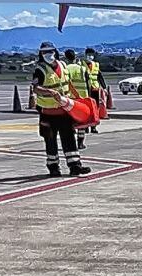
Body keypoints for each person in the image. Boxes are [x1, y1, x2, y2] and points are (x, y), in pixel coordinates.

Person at [32, 41, 90, 178]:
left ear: (55, 51)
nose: (48, 54)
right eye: (45, 52)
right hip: (48, 112)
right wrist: (50, 92)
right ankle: (53, 167)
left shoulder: (63, 65)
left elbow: (69, 83)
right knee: (50, 141)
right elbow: (35, 87)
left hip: (64, 110)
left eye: (50, 51)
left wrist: (77, 99)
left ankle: (75, 166)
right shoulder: (39, 69)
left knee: (69, 138)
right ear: (41, 54)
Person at [63, 49, 89, 150]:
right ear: (75, 57)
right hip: (82, 97)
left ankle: (71, 142)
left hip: (70, 98)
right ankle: (80, 143)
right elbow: (88, 83)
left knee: (70, 122)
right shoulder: (82, 69)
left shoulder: (65, 69)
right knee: (82, 122)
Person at [83, 47, 104, 134]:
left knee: (95, 109)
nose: (90, 57)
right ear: (85, 55)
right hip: (86, 90)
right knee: (86, 109)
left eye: (91, 55)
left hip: (95, 89)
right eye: (88, 55)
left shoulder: (96, 65)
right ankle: (86, 126)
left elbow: (99, 76)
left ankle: (93, 126)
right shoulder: (82, 65)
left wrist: (104, 87)